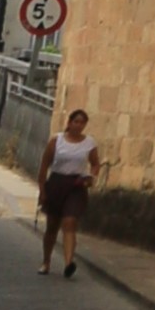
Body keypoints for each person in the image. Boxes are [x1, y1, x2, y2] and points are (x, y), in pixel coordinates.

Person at [37, 103, 100, 276]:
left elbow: (95, 163)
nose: (79, 125)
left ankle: (68, 262)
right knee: (52, 226)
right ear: (70, 122)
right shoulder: (56, 141)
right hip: (57, 183)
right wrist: (42, 190)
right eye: (76, 122)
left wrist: (91, 177)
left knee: (70, 222)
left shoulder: (89, 143)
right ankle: (46, 261)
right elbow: (44, 165)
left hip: (76, 186)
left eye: (82, 123)